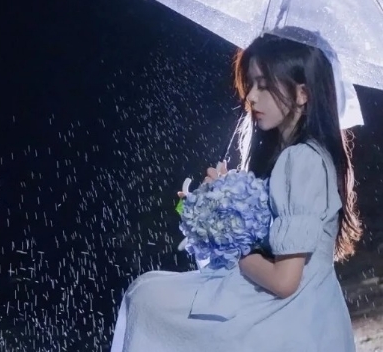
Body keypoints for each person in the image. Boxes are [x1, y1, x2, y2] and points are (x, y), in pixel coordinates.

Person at [110, 28, 363, 352]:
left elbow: (284, 281)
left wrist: (238, 246)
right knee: (149, 294)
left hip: (290, 317)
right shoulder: (301, 155)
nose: (251, 97)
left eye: (264, 85)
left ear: (302, 94)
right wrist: (221, 201)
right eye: (251, 84)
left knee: (146, 298)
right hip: (312, 312)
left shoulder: (301, 159)